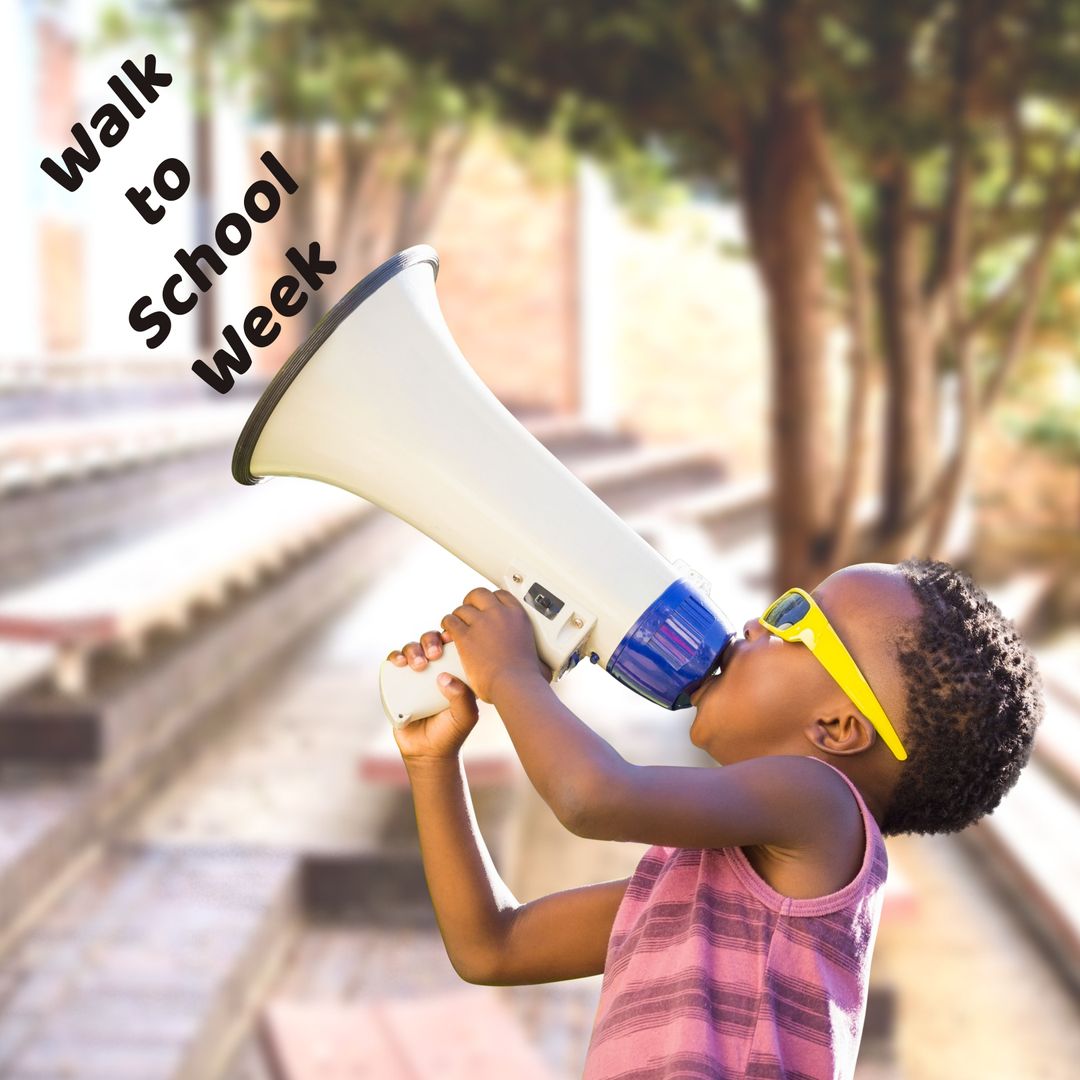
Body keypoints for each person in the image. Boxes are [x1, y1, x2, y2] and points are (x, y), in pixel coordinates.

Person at [386, 558, 1043, 1079]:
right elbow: (493, 947)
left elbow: (593, 796)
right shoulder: (694, 889)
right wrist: (433, 764)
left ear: (838, 727)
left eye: (796, 621)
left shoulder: (823, 806)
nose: (758, 623)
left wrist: (509, 674)